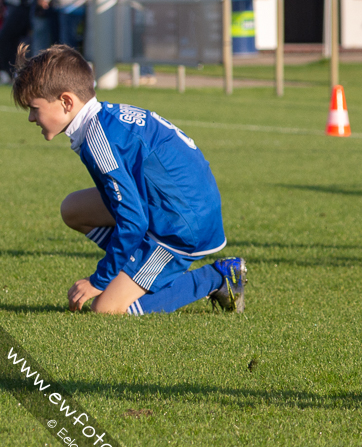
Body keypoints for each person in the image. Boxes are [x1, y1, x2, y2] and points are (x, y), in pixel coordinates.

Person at [12, 45, 249, 315]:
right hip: (173, 208)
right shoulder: (102, 118)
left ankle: (218, 277)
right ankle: (136, 266)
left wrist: (99, 280)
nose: (31, 118)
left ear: (66, 102)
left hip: (181, 228)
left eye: (34, 108)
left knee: (106, 308)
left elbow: (133, 220)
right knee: (73, 209)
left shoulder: (99, 140)